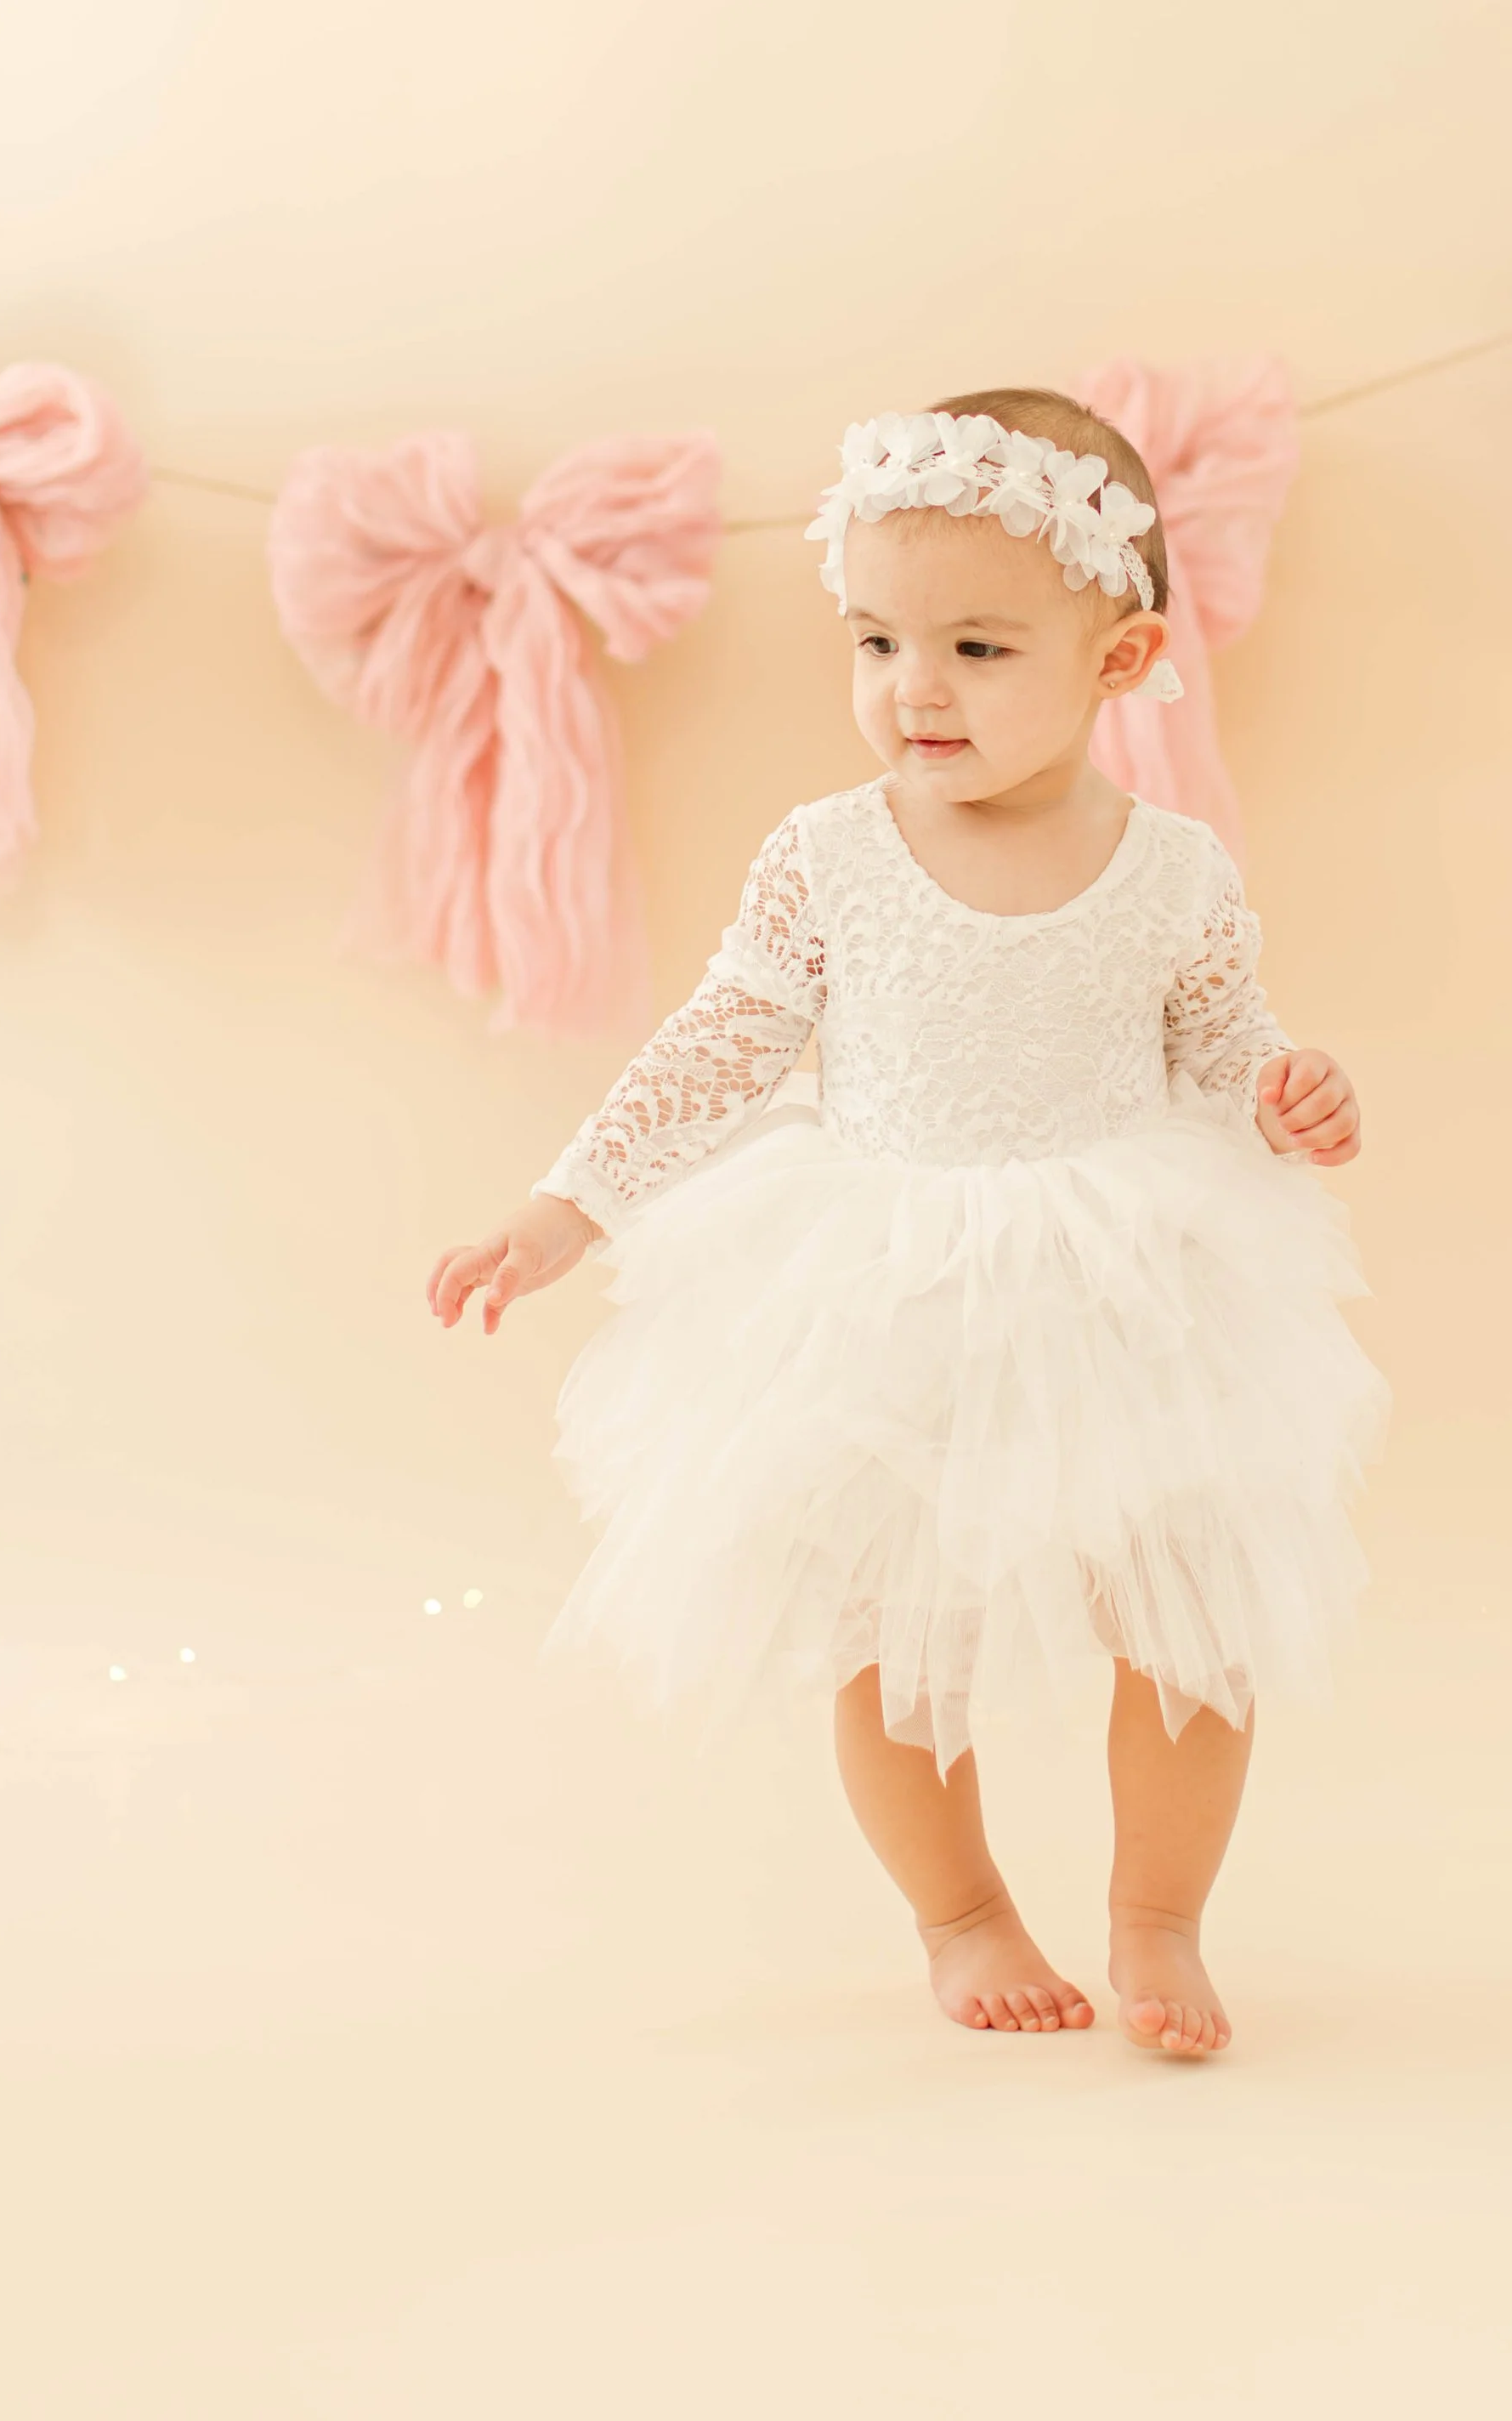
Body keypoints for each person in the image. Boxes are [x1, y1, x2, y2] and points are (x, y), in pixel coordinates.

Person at [427, 388, 1389, 2055]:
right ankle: (959, 1912)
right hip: (886, 1288)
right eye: (874, 642)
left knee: (1187, 1621)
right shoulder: (829, 856)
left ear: (1117, 658)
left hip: (1121, 1284)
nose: (911, 689)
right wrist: (564, 1206)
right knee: (890, 1635)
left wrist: (1287, 1088)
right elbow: (720, 1043)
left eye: (975, 649)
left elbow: (1226, 1038)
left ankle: (1158, 1916)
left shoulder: (1172, 869)